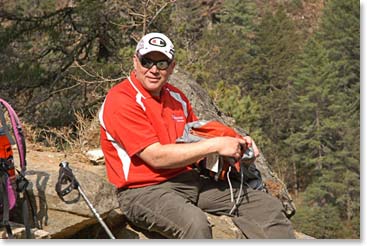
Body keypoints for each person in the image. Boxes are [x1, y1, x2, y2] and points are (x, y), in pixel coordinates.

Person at [99, 32, 295, 239]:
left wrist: (237, 142)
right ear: (135, 61)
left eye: (162, 63)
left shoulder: (177, 97)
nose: (154, 70)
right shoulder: (121, 100)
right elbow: (155, 157)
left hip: (189, 181)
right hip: (143, 191)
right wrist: (216, 145)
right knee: (195, 225)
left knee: (267, 207)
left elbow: (198, 135)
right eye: (147, 61)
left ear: (172, 67)